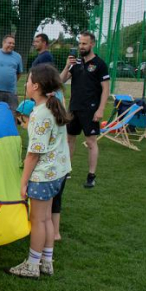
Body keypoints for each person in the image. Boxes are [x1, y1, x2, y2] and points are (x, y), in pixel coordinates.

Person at [9, 64, 72, 278]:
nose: (25, 84)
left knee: (37, 220)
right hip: (58, 173)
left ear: (35, 86)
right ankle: (46, 262)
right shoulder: (54, 106)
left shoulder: (40, 114)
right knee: (46, 219)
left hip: (43, 175)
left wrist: (23, 182)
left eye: (28, 80)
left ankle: (32, 265)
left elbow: (33, 154)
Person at [60, 31, 109, 188]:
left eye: (84, 43)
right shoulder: (75, 63)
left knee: (90, 142)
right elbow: (60, 81)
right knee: (69, 139)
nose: (81, 46)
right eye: (80, 43)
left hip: (91, 109)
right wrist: (67, 65)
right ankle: (66, 170)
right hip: (74, 107)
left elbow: (106, 89)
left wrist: (101, 109)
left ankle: (91, 175)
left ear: (92, 44)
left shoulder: (100, 64)